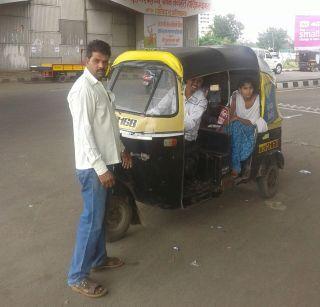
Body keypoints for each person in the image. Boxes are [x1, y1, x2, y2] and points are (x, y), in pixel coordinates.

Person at [67, 40, 132, 298]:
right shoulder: (83, 90)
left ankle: (98, 259)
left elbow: (108, 127)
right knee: (91, 222)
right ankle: (77, 276)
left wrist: (122, 148)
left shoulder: (100, 87)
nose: (101, 65)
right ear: (86, 59)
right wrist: (101, 169)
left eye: (105, 61)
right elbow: (84, 135)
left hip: (106, 162)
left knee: (100, 216)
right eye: (97, 60)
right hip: (94, 168)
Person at [147, 76, 208, 144]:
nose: (195, 83)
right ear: (187, 80)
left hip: (186, 138)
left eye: (199, 81)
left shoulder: (202, 100)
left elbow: (190, 123)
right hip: (169, 133)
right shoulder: (176, 90)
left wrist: (168, 126)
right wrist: (147, 116)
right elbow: (159, 109)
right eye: (193, 79)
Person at [228, 78, 268, 178]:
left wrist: (237, 118)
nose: (248, 91)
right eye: (245, 88)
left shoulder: (258, 99)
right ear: (240, 90)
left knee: (236, 126)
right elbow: (230, 115)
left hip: (252, 127)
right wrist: (233, 100)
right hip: (238, 125)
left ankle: (236, 168)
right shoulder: (236, 96)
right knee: (226, 128)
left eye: (250, 88)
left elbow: (250, 123)